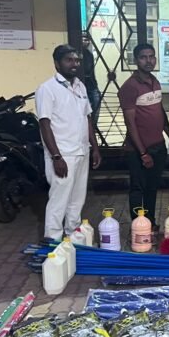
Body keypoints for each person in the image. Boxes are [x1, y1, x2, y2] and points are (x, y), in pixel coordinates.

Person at [36, 44, 102, 240]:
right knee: (59, 199)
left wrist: (95, 148)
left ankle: (73, 235)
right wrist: (56, 156)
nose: (74, 64)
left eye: (77, 60)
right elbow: (45, 124)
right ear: (57, 63)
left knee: (77, 198)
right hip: (63, 154)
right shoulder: (47, 89)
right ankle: (53, 238)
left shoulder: (80, 86)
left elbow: (87, 119)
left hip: (82, 151)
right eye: (69, 60)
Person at [118, 43, 169, 230]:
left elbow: (160, 112)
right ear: (136, 60)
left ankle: (150, 222)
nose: (148, 60)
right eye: (143, 57)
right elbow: (130, 123)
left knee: (152, 187)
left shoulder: (155, 81)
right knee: (138, 188)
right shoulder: (129, 87)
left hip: (158, 145)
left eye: (151, 56)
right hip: (138, 149)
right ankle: (138, 226)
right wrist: (143, 153)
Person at [81, 33, 102, 125]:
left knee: (97, 103)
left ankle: (93, 126)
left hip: (91, 84)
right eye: (83, 40)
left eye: (87, 40)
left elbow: (91, 72)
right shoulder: (77, 54)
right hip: (81, 85)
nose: (85, 42)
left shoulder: (89, 55)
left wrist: (95, 84)